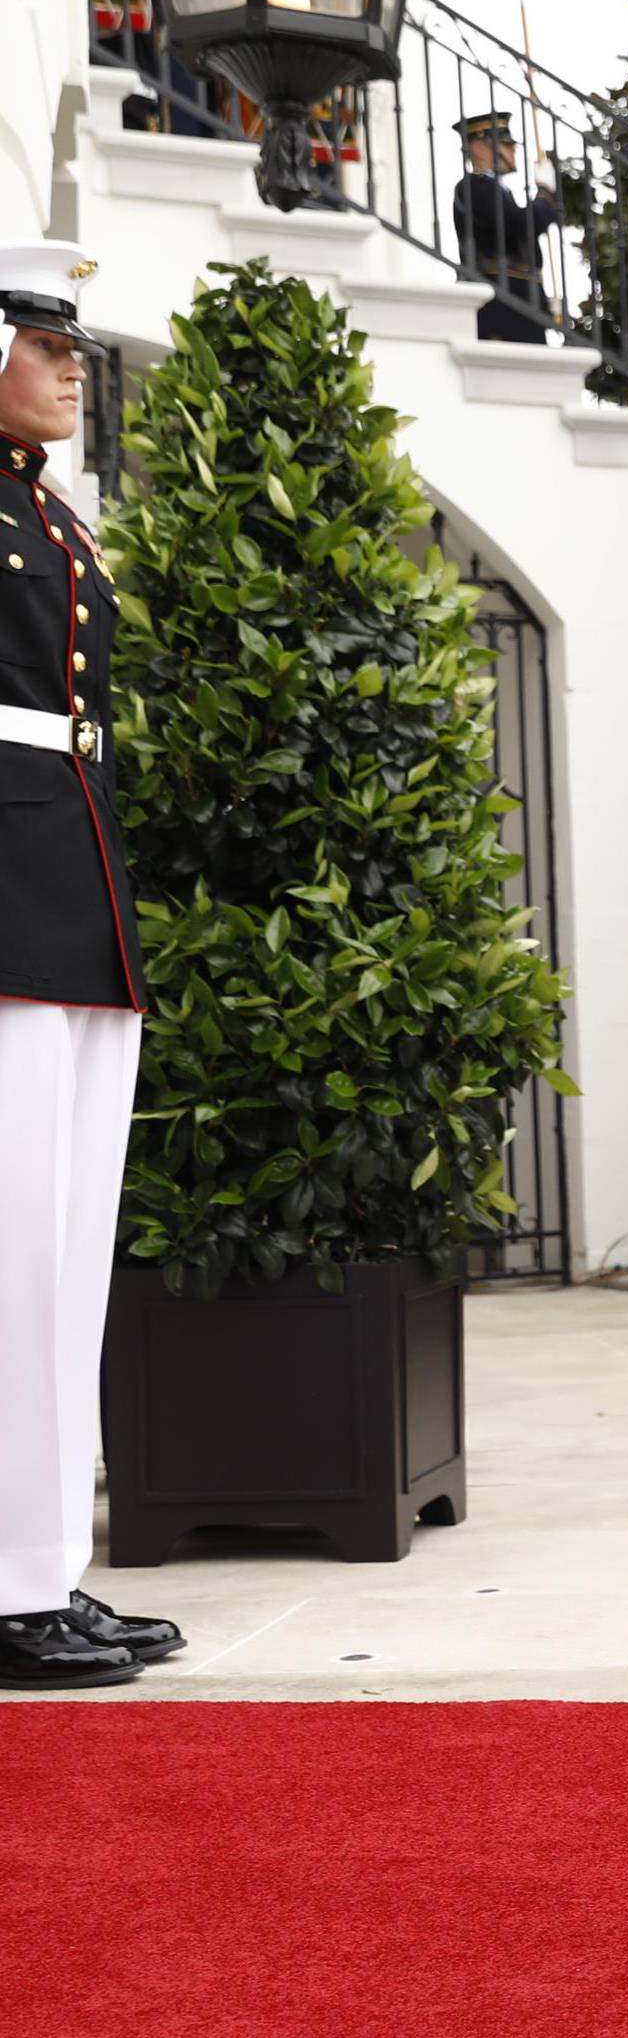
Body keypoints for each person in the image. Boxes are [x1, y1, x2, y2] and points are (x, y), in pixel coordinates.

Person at [0, 243, 183, 1689]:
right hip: (8, 897)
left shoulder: (43, 514)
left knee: (63, 1255)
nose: (72, 364)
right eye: (42, 340)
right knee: (14, 1256)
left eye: (71, 345)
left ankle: (44, 1563)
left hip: (71, 890)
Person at [450, 112, 557, 345]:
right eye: (506, 145)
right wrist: (545, 194)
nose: (513, 150)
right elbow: (521, 225)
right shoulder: (475, 186)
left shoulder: (498, 190)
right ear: (479, 148)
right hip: (501, 307)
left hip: (519, 304)